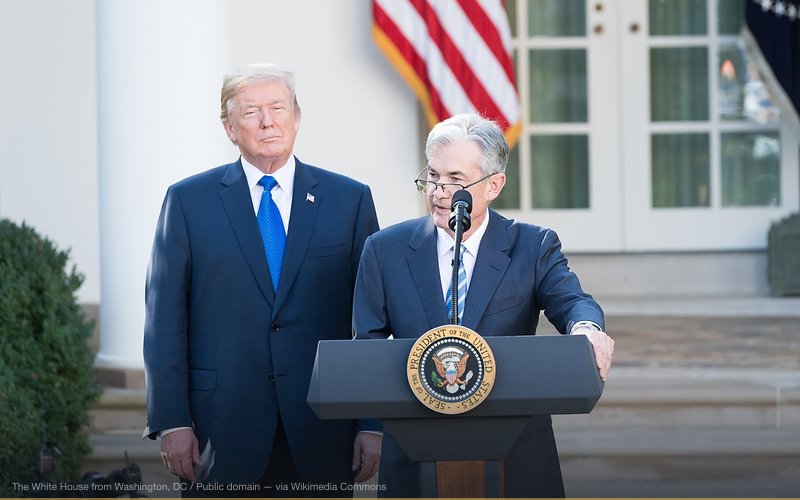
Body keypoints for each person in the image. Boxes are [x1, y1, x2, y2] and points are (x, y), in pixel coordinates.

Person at [143, 63, 382, 496]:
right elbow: (164, 320)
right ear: (229, 128)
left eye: (278, 107)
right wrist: (171, 419)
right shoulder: (187, 202)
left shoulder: (350, 200)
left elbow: (370, 322)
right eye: (251, 112)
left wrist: (371, 422)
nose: (267, 121)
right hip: (220, 428)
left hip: (323, 426)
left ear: (297, 117)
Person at [352, 113, 615, 497]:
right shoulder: (384, 250)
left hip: (515, 453)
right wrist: (370, 427)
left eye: (455, 180)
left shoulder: (532, 245)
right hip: (415, 449)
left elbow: (572, 300)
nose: (439, 192)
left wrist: (587, 329)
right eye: (433, 176)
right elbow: (367, 345)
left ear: (494, 185)